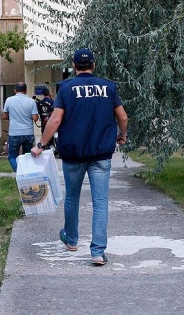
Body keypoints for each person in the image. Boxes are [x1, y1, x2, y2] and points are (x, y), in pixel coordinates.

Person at [31, 48, 128, 266]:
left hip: (73, 154)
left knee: (73, 197)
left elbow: (55, 120)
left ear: (74, 67)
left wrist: (40, 145)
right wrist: (122, 135)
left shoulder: (66, 88)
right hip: (101, 154)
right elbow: (122, 116)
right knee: (100, 202)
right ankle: (97, 251)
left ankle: (72, 240)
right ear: (93, 65)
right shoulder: (109, 87)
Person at [2, 82, 39, 172]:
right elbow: (35, 118)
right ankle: (25, 173)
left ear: (15, 90)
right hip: (28, 133)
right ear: (26, 90)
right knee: (28, 156)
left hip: (14, 133)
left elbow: (4, 116)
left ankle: (19, 172)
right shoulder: (31, 101)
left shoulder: (9, 100)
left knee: (12, 156)